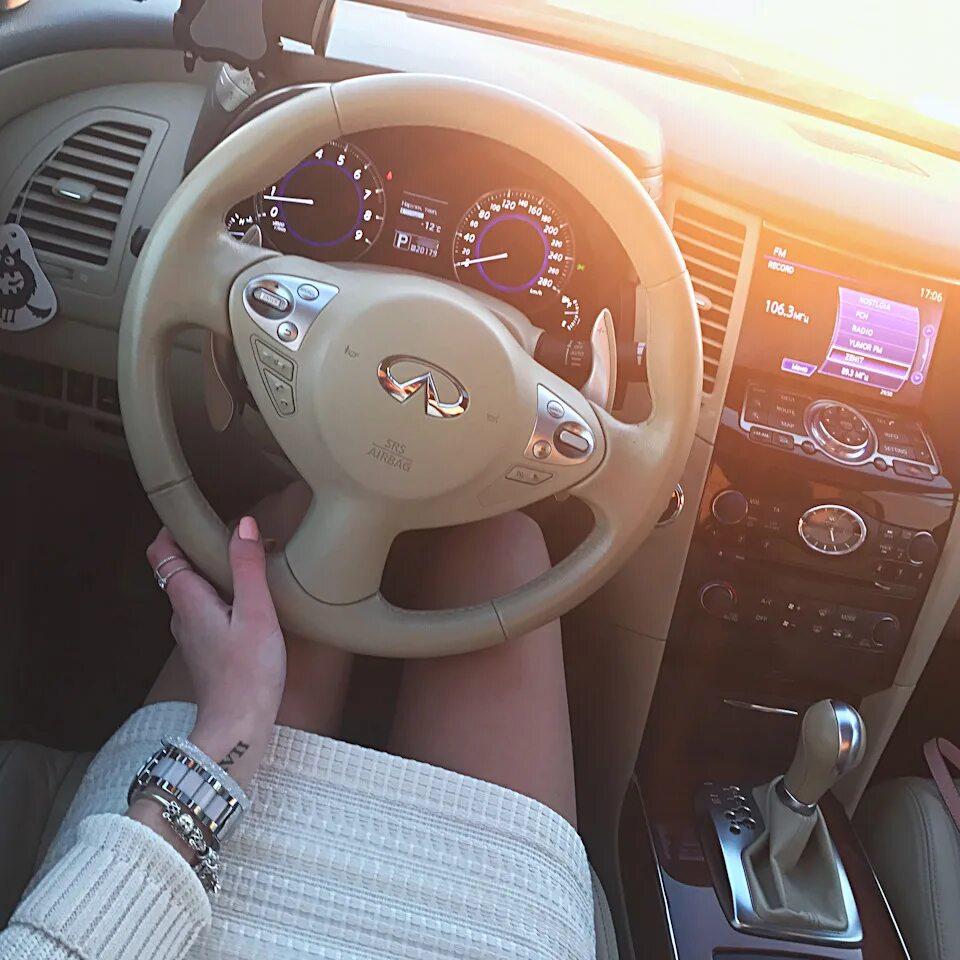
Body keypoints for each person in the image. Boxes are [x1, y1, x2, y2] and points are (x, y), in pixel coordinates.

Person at [0, 484, 594, 960]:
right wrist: (230, 725)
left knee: (312, 524)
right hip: (471, 929)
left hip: (146, 894)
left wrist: (232, 724)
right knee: (497, 537)